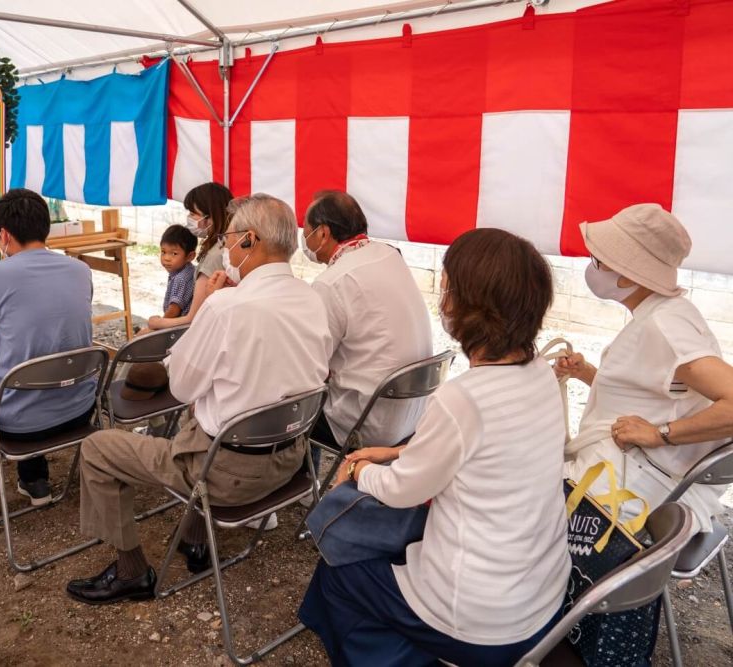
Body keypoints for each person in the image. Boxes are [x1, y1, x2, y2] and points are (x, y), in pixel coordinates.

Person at [299, 228, 570, 667]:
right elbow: (486, 455)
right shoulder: (538, 373)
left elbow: (402, 491)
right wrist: (397, 453)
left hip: (482, 620)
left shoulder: (464, 397)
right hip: (542, 603)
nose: (442, 300)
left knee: (337, 578)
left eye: (447, 288)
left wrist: (359, 470)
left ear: (470, 307)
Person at [66, 193, 333, 605]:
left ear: (249, 240)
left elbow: (183, 388)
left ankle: (131, 571)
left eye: (227, 239)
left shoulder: (227, 307)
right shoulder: (314, 299)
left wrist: (208, 307)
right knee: (206, 420)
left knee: (99, 447)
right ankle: (195, 540)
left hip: (226, 476)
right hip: (290, 464)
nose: (223, 248)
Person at [558, 203, 733, 534]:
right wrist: (589, 375)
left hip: (639, 485)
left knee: (511, 493)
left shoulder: (664, 325)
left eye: (599, 260)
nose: (592, 266)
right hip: (648, 476)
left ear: (629, 273)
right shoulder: (667, 312)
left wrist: (661, 434)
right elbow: (657, 394)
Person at [0, 188, 97, 524]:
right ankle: (35, 481)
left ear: (4, 235)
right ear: (46, 228)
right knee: (32, 372)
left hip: (20, 423)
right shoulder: (79, 270)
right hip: (79, 409)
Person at [301, 190, 432, 450]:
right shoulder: (389, 254)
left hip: (367, 423)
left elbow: (312, 365)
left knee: (288, 404)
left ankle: (302, 484)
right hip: (414, 411)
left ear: (323, 233)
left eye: (306, 231)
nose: (303, 238)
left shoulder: (332, 282)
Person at [145, 182, 232, 331]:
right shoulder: (226, 245)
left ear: (210, 217)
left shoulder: (215, 255)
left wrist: (156, 324)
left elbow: (192, 318)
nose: (189, 218)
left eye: (192, 213)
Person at [157, 224, 197, 318]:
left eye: (174, 253)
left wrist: (159, 325)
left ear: (190, 256)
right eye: (163, 252)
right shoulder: (190, 270)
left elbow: (174, 311)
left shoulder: (181, 278)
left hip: (178, 326)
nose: (166, 258)